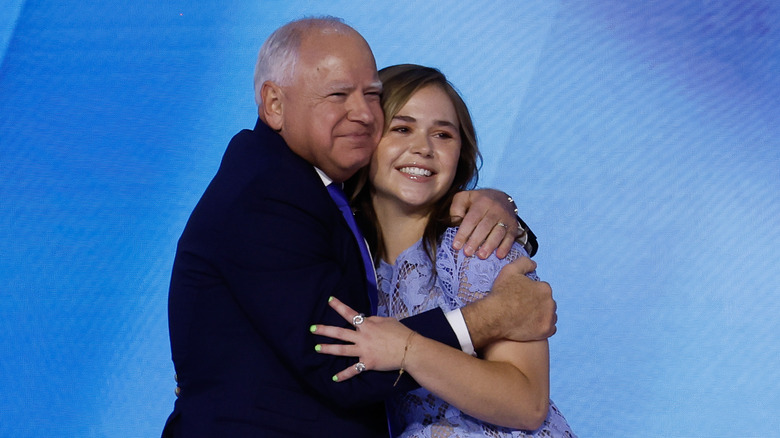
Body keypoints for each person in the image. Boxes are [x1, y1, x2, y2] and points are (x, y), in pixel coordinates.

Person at [162, 17, 556, 437]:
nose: (362, 114)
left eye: (371, 96)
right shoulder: (271, 194)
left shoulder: (471, 244)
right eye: (401, 127)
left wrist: (500, 204)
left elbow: (528, 404)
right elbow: (342, 363)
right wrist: (492, 317)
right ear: (274, 104)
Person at [312, 64, 575, 436]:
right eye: (402, 129)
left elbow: (528, 404)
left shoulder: (478, 247)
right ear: (364, 140)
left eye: (443, 134)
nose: (423, 148)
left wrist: (409, 350)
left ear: (461, 154)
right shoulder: (347, 258)